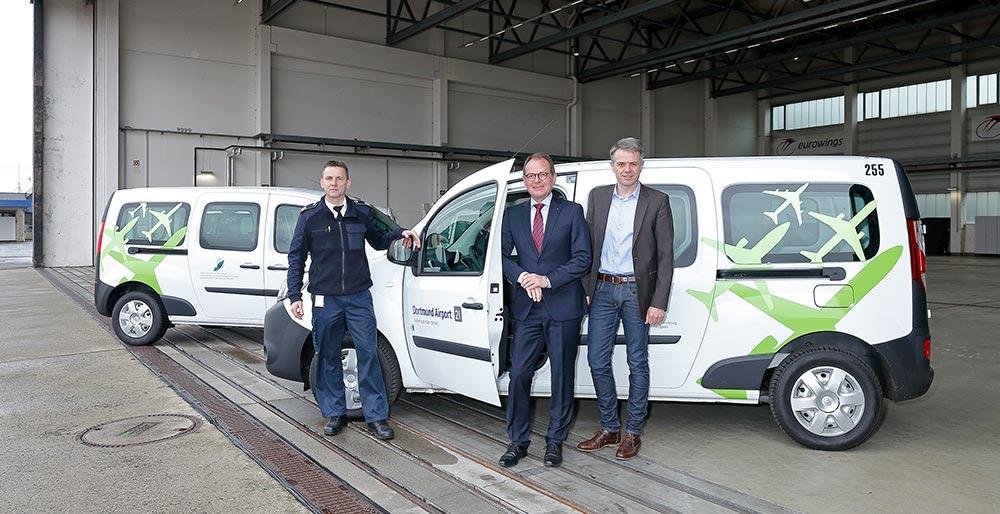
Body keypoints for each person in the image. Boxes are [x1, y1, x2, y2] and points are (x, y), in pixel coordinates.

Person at [286, 160, 421, 440]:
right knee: (328, 355)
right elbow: (296, 257)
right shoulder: (310, 217)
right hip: (326, 299)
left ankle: (376, 417)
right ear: (322, 182)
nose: (334, 183)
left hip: (358, 297)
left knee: (368, 354)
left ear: (348, 183)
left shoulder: (360, 212)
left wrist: (401, 233)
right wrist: (295, 295)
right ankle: (335, 414)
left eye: (339, 178)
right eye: (329, 178)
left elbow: (380, 239)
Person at [577, 137, 673, 460]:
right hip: (602, 290)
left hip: (637, 292)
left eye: (633, 163)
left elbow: (666, 257)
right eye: (621, 164)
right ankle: (609, 428)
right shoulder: (598, 197)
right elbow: (587, 247)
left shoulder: (657, 201)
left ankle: (632, 432)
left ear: (641, 165)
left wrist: (659, 301)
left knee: (637, 362)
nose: (627, 169)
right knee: (596, 359)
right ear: (613, 166)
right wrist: (586, 288)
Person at [499, 152, 592, 468]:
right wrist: (524, 277)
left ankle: (555, 442)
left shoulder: (572, 212)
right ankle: (518, 441)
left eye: (542, 174)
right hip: (527, 307)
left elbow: (582, 258)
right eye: (530, 176)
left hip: (563, 305)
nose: (536, 180)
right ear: (524, 181)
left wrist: (547, 280)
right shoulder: (513, 214)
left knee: (561, 377)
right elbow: (501, 257)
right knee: (519, 374)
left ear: (552, 177)